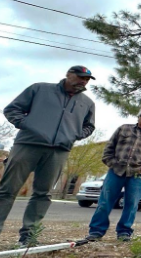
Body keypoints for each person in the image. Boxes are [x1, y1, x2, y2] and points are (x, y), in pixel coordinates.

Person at [0, 66, 96, 246]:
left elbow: (89, 127)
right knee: (7, 190)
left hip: (59, 151)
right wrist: (29, 125)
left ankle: (29, 237)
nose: (83, 81)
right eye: (80, 77)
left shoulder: (87, 103)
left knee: (43, 194)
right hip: (28, 145)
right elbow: (12, 109)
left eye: (87, 79)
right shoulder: (40, 89)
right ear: (68, 75)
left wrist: (73, 134)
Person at [85, 108, 141, 242]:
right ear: (138, 117)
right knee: (104, 202)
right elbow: (109, 148)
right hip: (116, 171)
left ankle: (124, 232)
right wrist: (111, 163)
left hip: (138, 174)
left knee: (132, 204)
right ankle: (96, 231)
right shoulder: (123, 129)